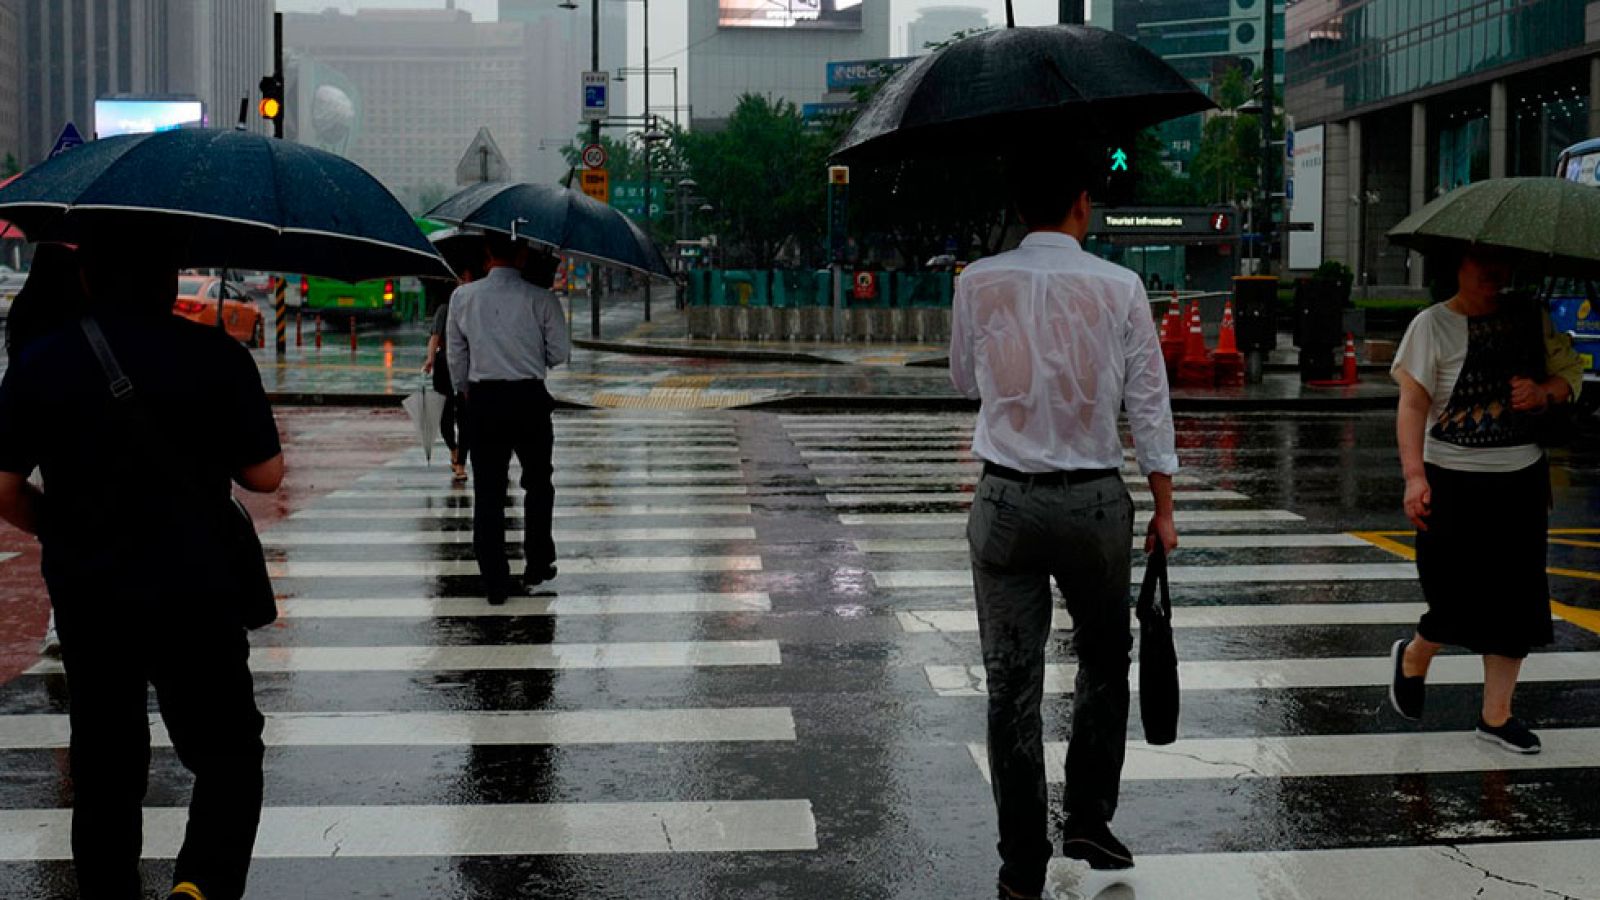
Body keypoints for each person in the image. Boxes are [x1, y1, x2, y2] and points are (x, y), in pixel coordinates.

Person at [0, 242, 283, 900]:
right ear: (172, 277)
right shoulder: (218, 355)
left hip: (90, 589)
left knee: (104, 758)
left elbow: (6, 488)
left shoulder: (43, 359)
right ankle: (200, 885)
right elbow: (265, 476)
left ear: (89, 275)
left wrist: (64, 527)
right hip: (196, 587)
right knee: (227, 752)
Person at [950, 149, 1180, 900]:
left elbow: (961, 379)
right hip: (1093, 502)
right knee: (1104, 663)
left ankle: (1022, 860)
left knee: (1011, 684)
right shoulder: (1119, 287)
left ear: (1018, 209)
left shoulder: (978, 283)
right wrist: (1164, 505)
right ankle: (1088, 817)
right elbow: (1149, 402)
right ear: (1083, 204)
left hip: (1008, 500)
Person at [1389, 250, 1582, 754]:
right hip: (1449, 479)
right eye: (1483, 265)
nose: (1496, 275)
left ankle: (1496, 717)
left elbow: (1571, 377)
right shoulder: (1431, 325)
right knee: (1452, 596)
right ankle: (1415, 654)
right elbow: (1412, 405)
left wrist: (1544, 392)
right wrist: (1413, 477)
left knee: (1517, 603)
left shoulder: (1530, 317)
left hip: (1520, 477)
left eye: (1503, 266)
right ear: (1457, 266)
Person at [446, 234, 570, 605]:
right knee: (538, 483)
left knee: (488, 490)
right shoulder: (542, 298)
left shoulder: (462, 297)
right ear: (521, 254)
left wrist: (464, 389)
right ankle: (538, 562)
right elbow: (559, 353)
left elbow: (455, 355)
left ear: (486, 254)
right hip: (530, 399)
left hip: (483, 400)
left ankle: (495, 580)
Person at [5, 244, 87, 661]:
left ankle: (60, 618)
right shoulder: (90, 320)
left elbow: (5, 488)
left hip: (51, 448)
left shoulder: (26, 319)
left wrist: (53, 524)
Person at [423, 272, 477, 484]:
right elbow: (435, 337)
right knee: (444, 417)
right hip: (445, 366)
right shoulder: (444, 310)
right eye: (461, 279)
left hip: (470, 365)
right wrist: (430, 359)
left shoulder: (476, 308)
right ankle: (454, 449)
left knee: (465, 418)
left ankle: (461, 463)